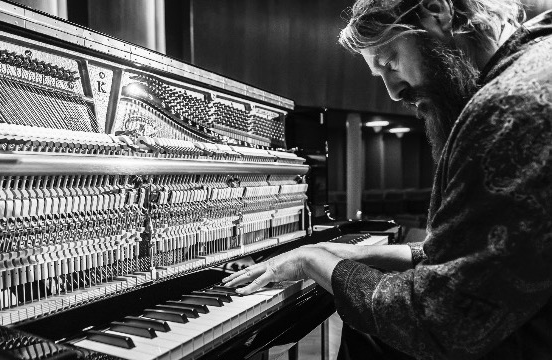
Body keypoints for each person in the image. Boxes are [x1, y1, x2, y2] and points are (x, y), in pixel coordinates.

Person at [224, 0, 552, 359]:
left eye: (390, 61)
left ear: (436, 11)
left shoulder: (510, 107)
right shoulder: (535, 63)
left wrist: (313, 261)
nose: (394, 92)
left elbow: (439, 321)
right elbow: (476, 253)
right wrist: (349, 253)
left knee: (369, 338)